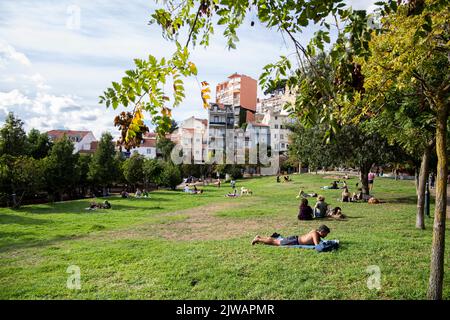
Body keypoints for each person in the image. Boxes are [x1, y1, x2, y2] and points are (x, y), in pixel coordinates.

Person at [251, 225, 331, 246]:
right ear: (322, 231)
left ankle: (259, 237)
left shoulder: (314, 231)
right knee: (275, 242)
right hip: (294, 241)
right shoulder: (315, 234)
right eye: (325, 234)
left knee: (276, 241)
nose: (326, 236)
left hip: (295, 239)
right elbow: (317, 245)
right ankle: (258, 239)